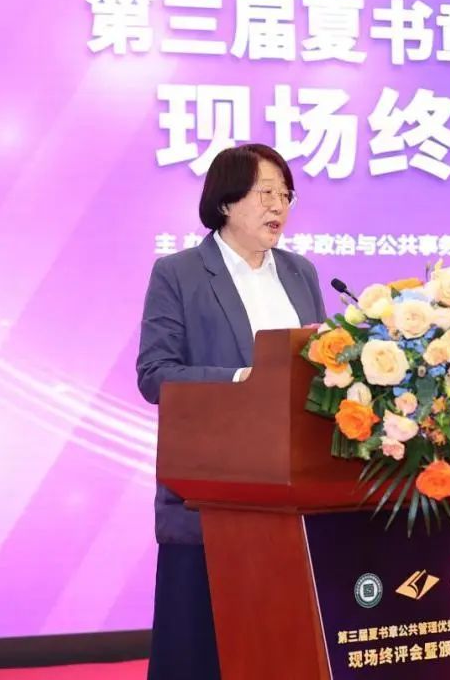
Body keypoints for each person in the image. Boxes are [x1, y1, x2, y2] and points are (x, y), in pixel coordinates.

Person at [136, 143, 326, 680]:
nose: (279, 206)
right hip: (211, 497)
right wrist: (244, 380)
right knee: (202, 655)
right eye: (265, 193)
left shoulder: (301, 273)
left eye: (285, 195)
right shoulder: (179, 273)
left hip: (293, 501)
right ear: (225, 201)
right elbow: (155, 374)